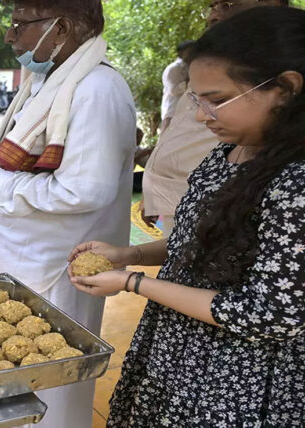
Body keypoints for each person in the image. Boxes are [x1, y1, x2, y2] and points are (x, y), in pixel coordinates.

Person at [69, 7, 305, 425]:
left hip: (236, 377)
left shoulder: (296, 181)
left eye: (217, 101)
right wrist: (130, 255)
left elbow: (267, 314)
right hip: (176, 348)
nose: (201, 115)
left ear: (285, 88)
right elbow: (203, 242)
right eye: (197, 99)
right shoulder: (228, 152)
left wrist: (132, 283)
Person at [0, 1, 136, 426]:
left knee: (56, 383)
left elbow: (83, 189)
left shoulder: (95, 88)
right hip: (26, 255)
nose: (9, 36)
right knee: (19, 372)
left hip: (60, 266)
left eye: (19, 25)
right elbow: (31, 152)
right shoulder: (48, 79)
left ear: (61, 30)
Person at [141, 0, 290, 236]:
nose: (213, 15)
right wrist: (154, 189)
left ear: (284, 89)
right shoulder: (220, 158)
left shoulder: (289, 187)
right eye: (213, 5)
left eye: (227, 4)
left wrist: (131, 275)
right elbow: (191, 251)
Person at [159, 40, 193, 133]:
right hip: (172, 112)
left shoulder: (190, 67)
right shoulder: (173, 68)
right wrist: (192, 80)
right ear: (181, 52)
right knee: (166, 141)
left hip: (186, 112)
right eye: (190, 50)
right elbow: (174, 90)